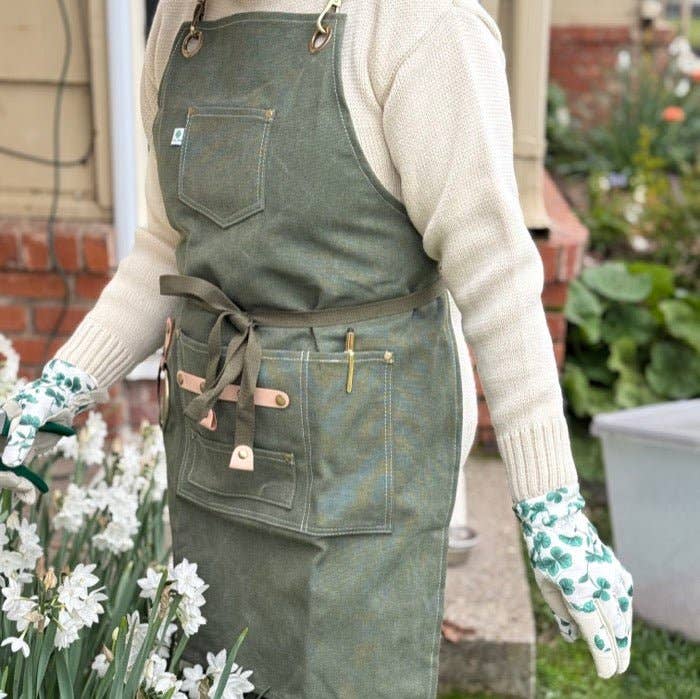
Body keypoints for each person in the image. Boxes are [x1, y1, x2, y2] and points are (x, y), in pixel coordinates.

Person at [0, 1, 634, 697]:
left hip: (361, 465)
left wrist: (550, 504)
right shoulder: (180, 23)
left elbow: (495, 274)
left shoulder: (418, 25)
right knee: (213, 669)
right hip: (213, 452)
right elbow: (167, 246)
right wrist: (67, 380)